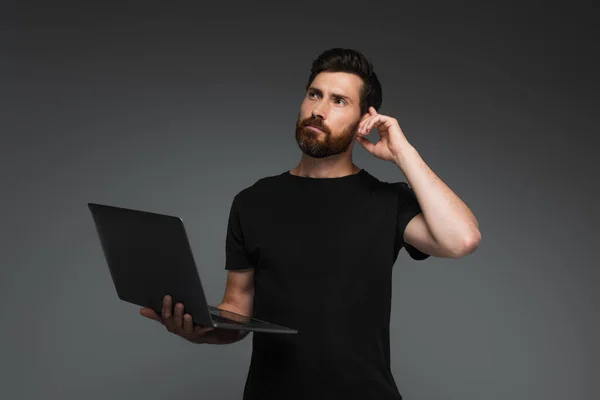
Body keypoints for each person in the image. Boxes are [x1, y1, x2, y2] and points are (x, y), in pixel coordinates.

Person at [140, 48, 481, 399]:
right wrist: (200, 329)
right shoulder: (253, 201)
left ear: (365, 119)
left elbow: (462, 238)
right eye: (314, 95)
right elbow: (237, 311)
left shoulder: (387, 201)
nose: (318, 110)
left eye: (338, 101)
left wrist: (403, 154)